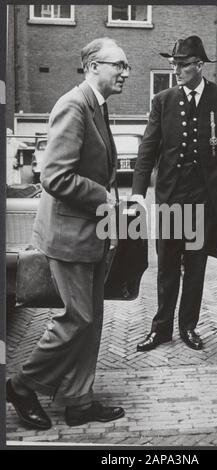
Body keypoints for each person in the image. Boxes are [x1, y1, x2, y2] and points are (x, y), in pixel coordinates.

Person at [6, 37, 130, 429]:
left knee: (90, 319)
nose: (125, 72)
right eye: (119, 65)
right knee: (76, 318)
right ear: (93, 65)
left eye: (126, 66)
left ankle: (78, 400)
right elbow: (55, 176)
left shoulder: (97, 105)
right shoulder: (73, 105)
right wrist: (105, 198)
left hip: (86, 233)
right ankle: (22, 385)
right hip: (68, 237)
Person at [131, 35, 217, 352]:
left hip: (202, 203)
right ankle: (161, 329)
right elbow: (147, 151)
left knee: (195, 268)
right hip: (170, 201)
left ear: (199, 65)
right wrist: (139, 193)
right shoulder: (162, 101)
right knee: (166, 268)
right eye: (174, 63)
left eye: (182, 64)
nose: (176, 69)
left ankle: (188, 327)